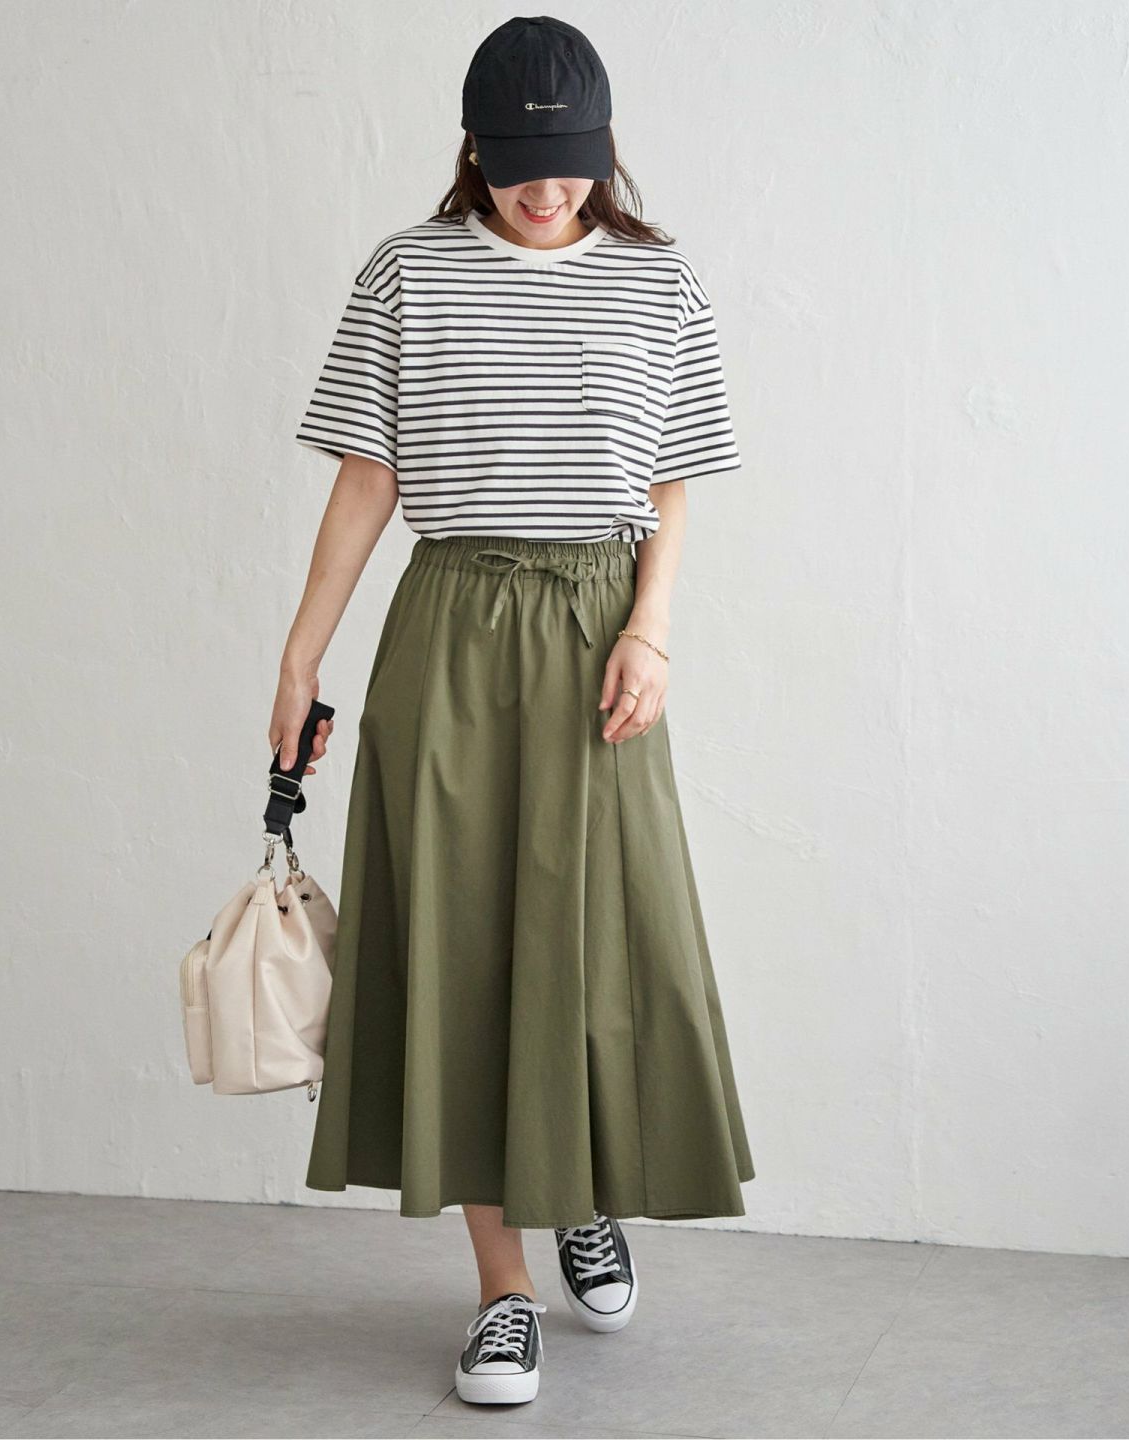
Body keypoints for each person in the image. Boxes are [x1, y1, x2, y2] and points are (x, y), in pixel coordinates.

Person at [272, 14, 755, 1408]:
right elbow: (367, 477)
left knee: (603, 936)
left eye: (572, 162)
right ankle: (502, 1288)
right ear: (472, 149)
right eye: (519, 162)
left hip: (601, 627)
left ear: (606, 150)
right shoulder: (407, 270)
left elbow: (669, 480)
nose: (548, 190)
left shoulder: (661, 282)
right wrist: (299, 659)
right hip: (452, 625)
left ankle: (580, 1189)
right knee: (462, 946)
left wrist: (652, 633)